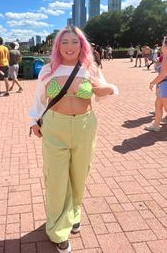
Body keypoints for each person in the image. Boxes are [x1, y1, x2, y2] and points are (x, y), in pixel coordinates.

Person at [29, 26, 118, 253]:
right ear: (58, 45)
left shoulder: (90, 68)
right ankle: (58, 230)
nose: (69, 47)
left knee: (79, 174)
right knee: (56, 179)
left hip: (85, 126)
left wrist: (110, 88)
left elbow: (102, 91)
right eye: (64, 42)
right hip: (55, 126)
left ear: (82, 45)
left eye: (74, 42)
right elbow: (39, 98)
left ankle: (74, 213)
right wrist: (33, 121)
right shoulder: (48, 69)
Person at [144, 36, 167, 131]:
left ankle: (156, 125)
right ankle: (156, 125)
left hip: (164, 85)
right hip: (163, 85)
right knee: (158, 105)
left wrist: (152, 83)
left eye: (162, 44)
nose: (161, 46)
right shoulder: (164, 56)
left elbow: (162, 75)